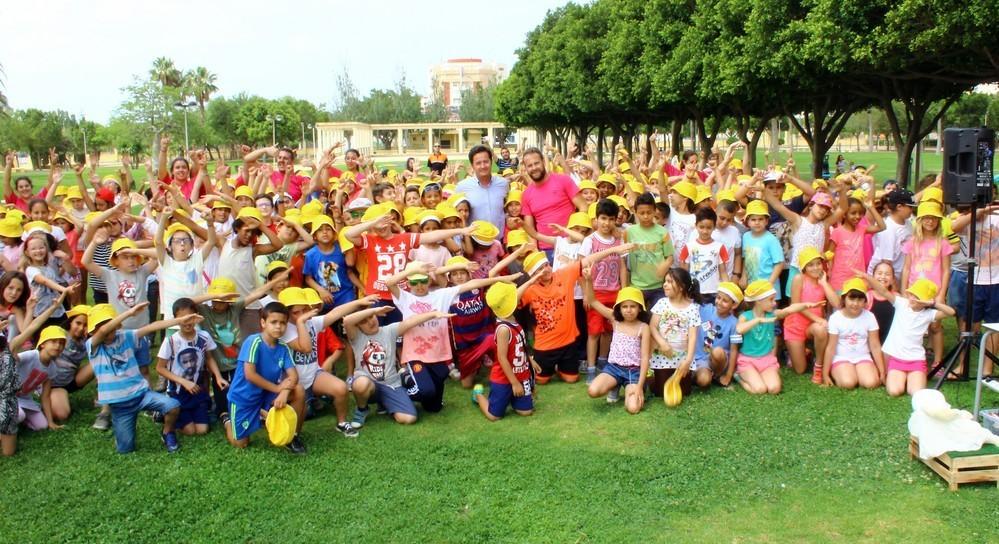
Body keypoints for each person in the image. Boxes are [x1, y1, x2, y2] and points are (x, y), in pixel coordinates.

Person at [88, 302, 202, 453]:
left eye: (111, 323)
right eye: (103, 325)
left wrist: (180, 320)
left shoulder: (126, 336)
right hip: (120, 406)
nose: (108, 329)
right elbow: (102, 331)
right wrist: (129, 313)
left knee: (173, 406)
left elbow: (154, 326)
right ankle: (124, 430)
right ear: (91, 332)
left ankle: (167, 432)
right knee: (125, 449)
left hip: (142, 395)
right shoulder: (93, 346)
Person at [520, 243, 634, 384]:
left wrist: (615, 249)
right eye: (539, 270)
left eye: (546, 265)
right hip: (545, 345)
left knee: (572, 379)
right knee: (541, 381)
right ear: (533, 275)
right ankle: (535, 360)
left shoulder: (563, 274)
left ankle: (560, 367)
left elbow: (588, 259)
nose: (546, 270)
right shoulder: (530, 290)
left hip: (567, 342)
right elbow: (512, 300)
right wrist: (530, 282)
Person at [346, 306, 453, 427]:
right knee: (361, 384)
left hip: (392, 385)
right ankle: (362, 409)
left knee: (409, 418)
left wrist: (433, 315)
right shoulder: (356, 336)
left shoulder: (389, 330)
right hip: (369, 387)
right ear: (358, 326)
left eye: (371, 317)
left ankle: (385, 402)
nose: (370, 322)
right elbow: (347, 321)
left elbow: (410, 322)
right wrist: (373, 311)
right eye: (364, 321)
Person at [223, 302, 308, 453]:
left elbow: (293, 376)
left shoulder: (283, 347)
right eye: (273, 322)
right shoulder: (253, 341)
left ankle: (292, 436)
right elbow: (250, 375)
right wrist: (277, 388)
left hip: (266, 394)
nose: (278, 326)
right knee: (241, 444)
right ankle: (228, 420)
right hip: (244, 397)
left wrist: (284, 392)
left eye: (282, 323)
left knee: (299, 390)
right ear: (263, 323)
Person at [860, 274, 955, 397]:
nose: (912, 298)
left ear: (924, 301)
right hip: (897, 359)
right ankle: (901, 377)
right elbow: (883, 290)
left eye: (916, 297)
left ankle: (911, 377)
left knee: (916, 392)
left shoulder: (929, 314)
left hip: (916, 360)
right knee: (894, 391)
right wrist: (866, 277)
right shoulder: (901, 304)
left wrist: (932, 303)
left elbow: (951, 312)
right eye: (911, 294)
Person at [0, 291, 69, 456]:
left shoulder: (11, 350)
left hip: (14, 399)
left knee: (35, 427)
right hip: (6, 399)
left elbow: (32, 327)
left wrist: (53, 308)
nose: (58, 346)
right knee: (19, 414)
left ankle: (11, 426)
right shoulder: (28, 356)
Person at [735, 280, 824, 395]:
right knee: (760, 390)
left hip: (766, 360)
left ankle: (758, 376)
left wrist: (806, 305)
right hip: (748, 361)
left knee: (774, 389)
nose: (774, 303)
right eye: (771, 300)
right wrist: (757, 320)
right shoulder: (745, 316)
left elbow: (789, 309)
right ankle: (739, 378)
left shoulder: (772, 314)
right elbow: (739, 329)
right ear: (758, 301)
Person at [155, 298, 225, 436]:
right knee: (190, 431)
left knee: (202, 430)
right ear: (175, 319)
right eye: (182, 318)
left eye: (190, 317)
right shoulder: (171, 341)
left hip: (197, 389)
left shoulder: (204, 337)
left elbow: (209, 358)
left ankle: (195, 410)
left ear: (197, 316)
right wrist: (183, 381)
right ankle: (163, 413)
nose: (187, 322)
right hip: (178, 391)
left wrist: (218, 377)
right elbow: (160, 368)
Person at [583, 278, 651, 414]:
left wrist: (639, 386)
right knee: (593, 391)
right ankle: (615, 385)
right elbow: (593, 301)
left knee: (633, 408)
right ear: (619, 308)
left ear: (639, 308)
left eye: (633, 306)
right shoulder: (615, 319)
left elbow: (644, 358)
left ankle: (631, 388)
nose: (629, 310)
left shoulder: (643, 327)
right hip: (614, 368)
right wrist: (589, 280)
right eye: (625, 306)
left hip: (633, 371)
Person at [578, 198, 628, 383]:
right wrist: (586, 293)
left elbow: (622, 266)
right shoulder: (589, 241)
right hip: (595, 292)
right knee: (593, 332)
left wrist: (623, 291)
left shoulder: (618, 240)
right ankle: (591, 369)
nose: (606, 223)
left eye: (611, 219)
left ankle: (602, 362)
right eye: (603, 218)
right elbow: (580, 269)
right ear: (596, 219)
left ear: (616, 220)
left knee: (608, 330)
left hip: (614, 292)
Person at [471, 282, 536, 420]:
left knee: (526, 412)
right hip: (504, 378)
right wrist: (514, 382)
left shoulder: (512, 318)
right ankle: (478, 395)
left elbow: (522, 346)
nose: (517, 299)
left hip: (522, 374)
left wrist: (530, 361)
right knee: (494, 416)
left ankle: (511, 398)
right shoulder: (503, 329)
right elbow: (501, 358)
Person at [784, 247, 839, 381]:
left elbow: (837, 303)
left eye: (818, 263)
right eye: (810, 265)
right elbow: (796, 306)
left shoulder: (823, 280)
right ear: (804, 268)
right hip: (795, 325)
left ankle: (818, 366)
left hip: (812, 326)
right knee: (800, 370)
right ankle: (804, 352)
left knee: (821, 329)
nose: (815, 268)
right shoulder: (799, 279)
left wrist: (825, 284)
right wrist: (818, 319)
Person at [519, 148, 588, 255]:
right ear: (526, 168)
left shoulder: (564, 180)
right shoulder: (526, 194)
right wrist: (535, 252)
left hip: (571, 244)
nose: (534, 168)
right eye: (530, 165)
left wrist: (577, 233)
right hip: (546, 250)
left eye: (536, 163)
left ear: (543, 161)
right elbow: (530, 228)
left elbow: (583, 207)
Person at [823, 278, 884, 389]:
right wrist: (825, 373)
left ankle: (861, 372)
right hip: (841, 357)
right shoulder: (835, 318)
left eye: (860, 299)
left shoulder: (870, 317)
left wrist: (882, 371)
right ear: (844, 298)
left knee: (871, 383)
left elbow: (875, 346)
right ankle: (841, 371)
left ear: (865, 301)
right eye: (851, 298)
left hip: (863, 356)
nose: (855, 303)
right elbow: (831, 347)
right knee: (848, 383)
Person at [692, 282, 743, 388]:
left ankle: (717, 375)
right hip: (700, 358)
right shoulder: (705, 309)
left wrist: (728, 376)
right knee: (703, 381)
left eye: (725, 301)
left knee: (718, 351)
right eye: (718, 298)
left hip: (719, 361)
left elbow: (734, 350)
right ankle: (699, 374)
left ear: (734, 305)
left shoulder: (735, 323)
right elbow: (690, 301)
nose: (719, 302)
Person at [680, 207, 729, 299]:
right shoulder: (688, 247)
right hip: (694, 292)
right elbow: (684, 273)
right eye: (701, 227)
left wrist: (728, 292)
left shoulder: (720, 247)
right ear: (696, 226)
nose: (705, 231)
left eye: (709, 228)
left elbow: (723, 272)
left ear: (714, 227)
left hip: (715, 292)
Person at [456, 145, 510, 228]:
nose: (483, 166)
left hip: (500, 239)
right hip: (473, 239)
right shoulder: (462, 187)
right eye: (478, 163)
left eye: (486, 162)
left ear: (491, 162)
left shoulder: (503, 184)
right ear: (472, 165)